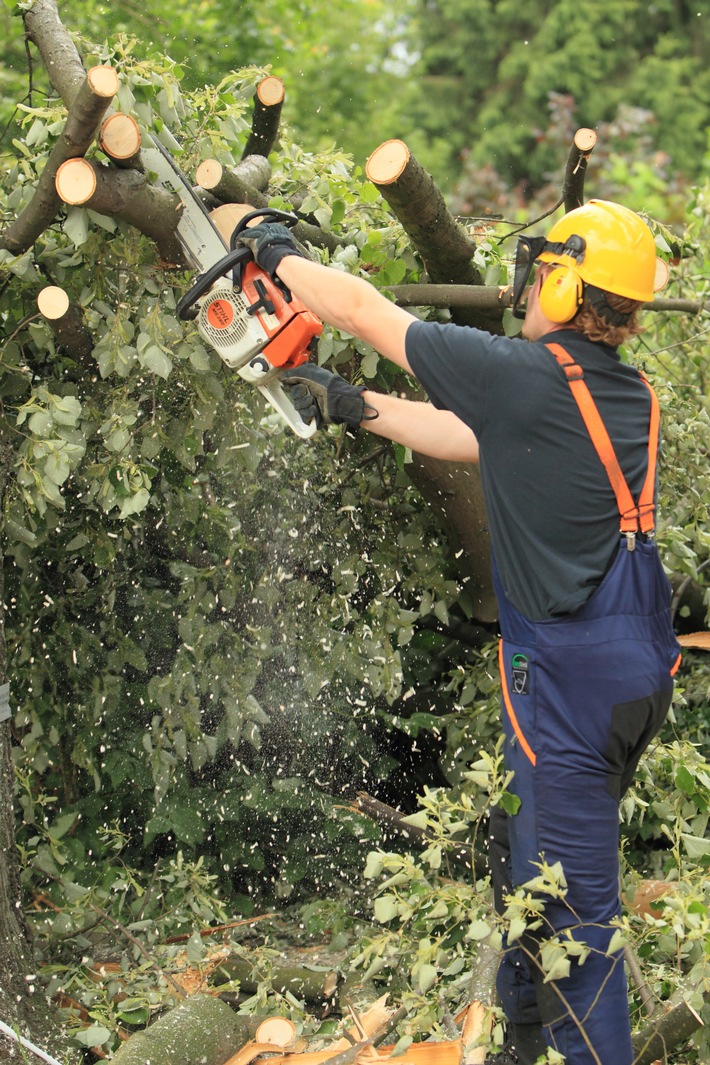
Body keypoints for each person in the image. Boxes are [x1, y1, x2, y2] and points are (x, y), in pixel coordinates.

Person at [236, 200, 682, 1064]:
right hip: (632, 673)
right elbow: (473, 437)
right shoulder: (624, 394)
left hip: (569, 690)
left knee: (578, 922)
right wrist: (356, 404)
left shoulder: (521, 371)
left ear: (560, 280)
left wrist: (275, 254)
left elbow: (365, 310)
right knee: (528, 865)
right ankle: (521, 1043)